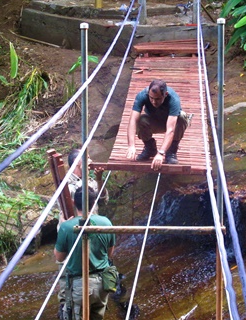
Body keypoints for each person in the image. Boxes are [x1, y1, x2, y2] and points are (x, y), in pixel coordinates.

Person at [57, 149, 109, 318]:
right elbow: (76, 201)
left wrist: (99, 180)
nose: (91, 161)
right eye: (87, 159)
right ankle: (67, 309)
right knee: (68, 280)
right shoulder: (67, 186)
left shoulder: (91, 182)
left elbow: (103, 200)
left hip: (93, 233)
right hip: (72, 235)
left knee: (94, 271)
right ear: (79, 163)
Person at [54, 187, 116, 320]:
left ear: (73, 202)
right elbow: (110, 253)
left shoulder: (66, 227)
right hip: (103, 283)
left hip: (80, 286)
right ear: (94, 203)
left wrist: (62, 228)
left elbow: (59, 257)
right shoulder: (106, 222)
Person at [126, 79, 190, 170]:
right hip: (153, 121)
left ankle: (171, 151)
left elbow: (170, 130)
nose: (154, 102)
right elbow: (133, 120)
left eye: (158, 99)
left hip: (171, 122)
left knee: (182, 117)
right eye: (151, 98)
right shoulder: (142, 95)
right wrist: (131, 145)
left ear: (165, 94)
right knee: (140, 120)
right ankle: (150, 148)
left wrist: (161, 153)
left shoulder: (173, 99)